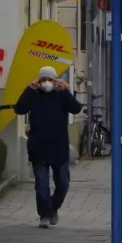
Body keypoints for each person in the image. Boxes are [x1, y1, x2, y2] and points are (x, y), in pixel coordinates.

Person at [12, 66, 82, 228]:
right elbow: (19, 109)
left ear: (55, 80)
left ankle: (52, 208)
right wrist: (29, 90)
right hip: (39, 148)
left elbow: (76, 108)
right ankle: (44, 215)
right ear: (39, 81)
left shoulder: (60, 95)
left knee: (63, 183)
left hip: (59, 148)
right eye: (43, 80)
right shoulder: (34, 95)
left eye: (49, 80)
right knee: (41, 185)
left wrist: (65, 91)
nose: (46, 83)